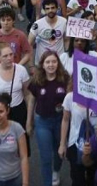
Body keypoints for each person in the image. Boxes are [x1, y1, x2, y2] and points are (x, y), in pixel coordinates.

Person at [28, 51, 71, 186]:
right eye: (47, 62)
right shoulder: (37, 79)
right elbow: (31, 100)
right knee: (46, 157)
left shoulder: (65, 78)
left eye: (54, 61)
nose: (51, 65)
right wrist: (29, 121)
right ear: (43, 65)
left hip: (60, 121)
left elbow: (70, 100)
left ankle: (56, 172)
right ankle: (47, 183)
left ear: (58, 63)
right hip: (42, 122)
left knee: (59, 151)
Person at [29, 0, 68, 66]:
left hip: (59, 62)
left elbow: (67, 40)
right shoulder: (37, 24)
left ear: (57, 8)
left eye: (53, 8)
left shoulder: (64, 22)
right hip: (42, 63)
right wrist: (31, 66)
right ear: (43, 10)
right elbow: (29, 44)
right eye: (47, 8)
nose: (50, 10)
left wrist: (67, 58)